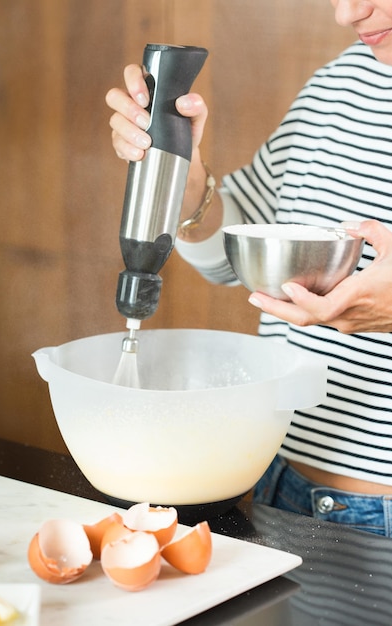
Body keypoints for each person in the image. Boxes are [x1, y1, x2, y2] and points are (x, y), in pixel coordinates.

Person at [106, 0, 392, 537]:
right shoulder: (342, 83)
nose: (347, 12)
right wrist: (185, 181)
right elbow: (237, 255)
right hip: (278, 483)